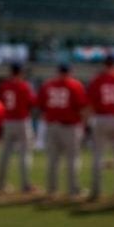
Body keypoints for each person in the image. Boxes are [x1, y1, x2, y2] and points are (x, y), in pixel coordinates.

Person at [38, 64, 88, 198]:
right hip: (69, 126)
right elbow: (81, 107)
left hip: (52, 125)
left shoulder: (48, 85)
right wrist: (84, 124)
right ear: (70, 72)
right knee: (72, 160)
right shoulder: (75, 85)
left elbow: (41, 106)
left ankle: (51, 189)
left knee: (53, 160)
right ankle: (73, 190)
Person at [85, 54, 114, 201]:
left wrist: (87, 123)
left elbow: (90, 105)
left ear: (105, 64)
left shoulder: (97, 80)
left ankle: (96, 190)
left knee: (98, 156)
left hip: (101, 118)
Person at [0, 63, 37, 193]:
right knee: (25, 154)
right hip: (21, 121)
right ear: (20, 72)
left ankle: (0, 184)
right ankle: (25, 184)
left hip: (7, 121)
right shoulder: (24, 85)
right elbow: (32, 103)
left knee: (5, 153)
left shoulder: (3, 85)